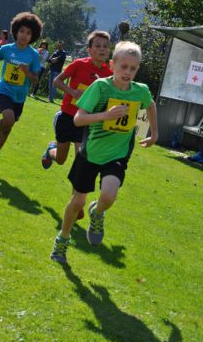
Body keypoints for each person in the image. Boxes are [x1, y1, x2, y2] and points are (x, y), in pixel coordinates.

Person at [50, 41, 158, 264]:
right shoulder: (100, 87)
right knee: (77, 201)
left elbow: (151, 105)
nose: (128, 72)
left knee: (109, 195)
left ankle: (97, 213)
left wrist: (155, 133)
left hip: (117, 155)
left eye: (133, 68)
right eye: (123, 67)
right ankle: (63, 239)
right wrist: (105, 116)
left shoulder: (141, 91)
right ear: (113, 64)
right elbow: (79, 119)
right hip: (90, 153)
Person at [0, 12, 43, 175]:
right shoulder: (7, 49)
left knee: (7, 129)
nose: (24, 35)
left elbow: (35, 80)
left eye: (28, 33)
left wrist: (28, 72)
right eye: (22, 31)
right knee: (8, 119)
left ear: (33, 36)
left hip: (19, 97)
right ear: (16, 31)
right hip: (4, 90)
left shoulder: (34, 55)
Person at [42, 30, 112, 171]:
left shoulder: (110, 74)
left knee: (81, 160)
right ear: (89, 50)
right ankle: (50, 151)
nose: (102, 49)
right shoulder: (78, 64)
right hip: (67, 116)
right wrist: (72, 92)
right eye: (98, 46)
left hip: (87, 121)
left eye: (105, 46)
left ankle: (77, 192)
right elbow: (57, 81)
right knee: (61, 159)